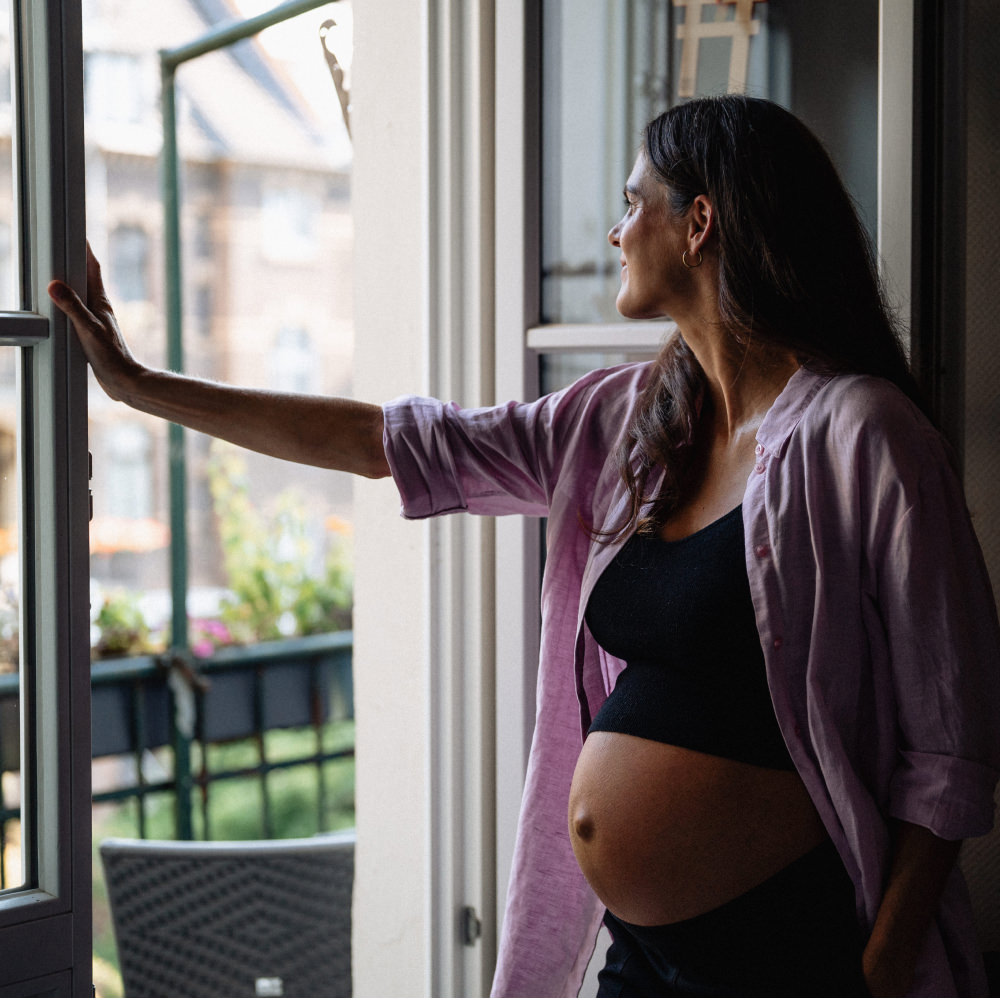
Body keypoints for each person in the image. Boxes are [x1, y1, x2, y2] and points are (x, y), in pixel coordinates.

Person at [50, 95, 1000, 997]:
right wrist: (140, 389)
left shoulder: (865, 437)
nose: (618, 231)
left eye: (636, 204)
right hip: (638, 957)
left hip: (789, 953)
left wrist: (878, 973)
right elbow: (391, 442)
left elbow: (950, 753)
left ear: (700, 223)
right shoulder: (626, 422)